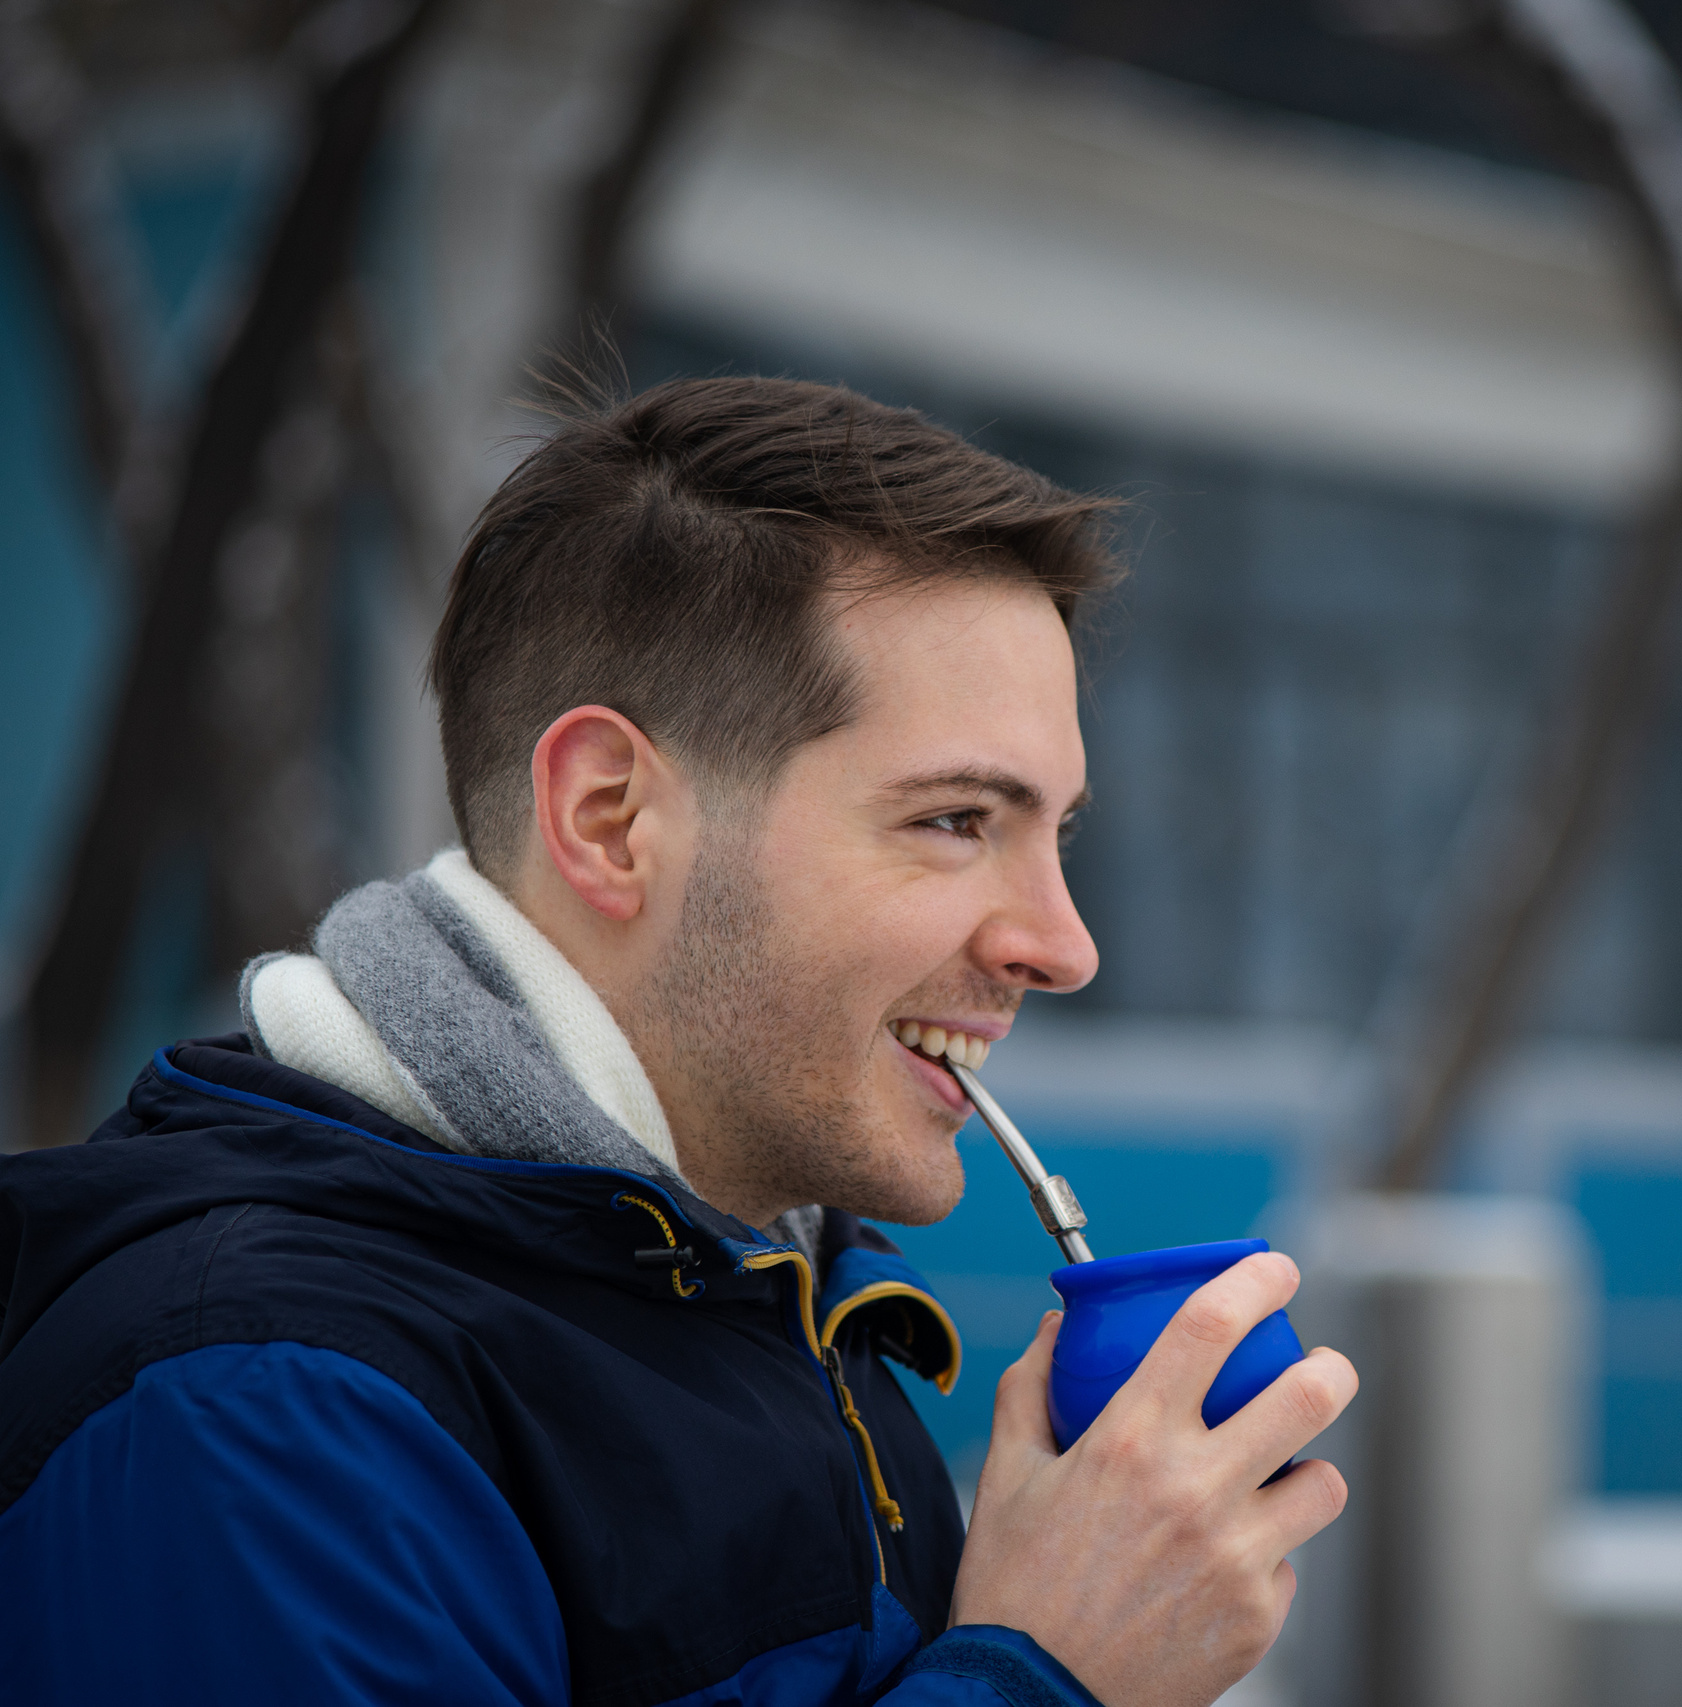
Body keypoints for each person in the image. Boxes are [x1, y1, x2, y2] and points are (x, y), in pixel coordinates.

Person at [0, 378, 1358, 1707]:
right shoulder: (254, 1410)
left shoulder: (770, 1305)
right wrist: (1036, 1677)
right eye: (956, 821)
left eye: (1055, 834)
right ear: (611, 820)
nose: (1063, 947)